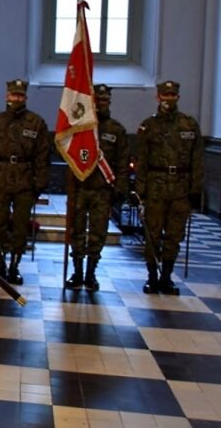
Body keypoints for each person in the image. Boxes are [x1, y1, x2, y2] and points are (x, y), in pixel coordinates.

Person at [134, 80, 205, 294]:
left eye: (173, 95)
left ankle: (166, 277)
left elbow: (197, 160)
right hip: (155, 189)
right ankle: (152, 277)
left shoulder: (189, 125)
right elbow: (141, 161)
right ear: (158, 97)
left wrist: (196, 190)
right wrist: (139, 191)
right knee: (152, 235)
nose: (169, 99)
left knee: (174, 236)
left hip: (181, 190)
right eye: (165, 95)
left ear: (178, 97)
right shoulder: (148, 126)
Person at [0, 79, 50, 285]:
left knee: (20, 227)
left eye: (20, 95)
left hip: (24, 181)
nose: (16, 99)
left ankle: (14, 266)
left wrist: (39, 184)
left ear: (25, 97)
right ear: (7, 96)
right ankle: (0, 265)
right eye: (13, 95)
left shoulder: (36, 123)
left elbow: (43, 157)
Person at [66, 84, 129, 291]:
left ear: (109, 102)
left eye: (105, 100)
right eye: (98, 100)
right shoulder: (81, 127)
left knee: (98, 233)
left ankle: (91, 273)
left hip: (102, 190)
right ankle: (77, 272)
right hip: (80, 188)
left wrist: (120, 189)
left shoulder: (116, 130)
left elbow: (122, 162)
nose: (102, 103)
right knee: (76, 231)